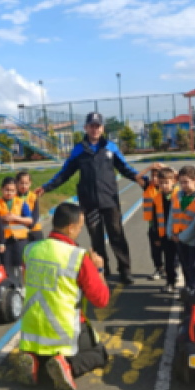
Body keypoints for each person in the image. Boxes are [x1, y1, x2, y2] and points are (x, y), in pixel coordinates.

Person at [35, 112, 160, 286]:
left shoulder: (110, 147)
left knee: (117, 235)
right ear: (86, 128)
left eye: (98, 126)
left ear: (102, 128)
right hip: (89, 203)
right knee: (96, 237)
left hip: (110, 200)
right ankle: (103, 270)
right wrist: (46, 187)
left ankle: (125, 270)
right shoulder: (79, 149)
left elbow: (125, 168)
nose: (95, 129)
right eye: (92, 126)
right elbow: (65, 173)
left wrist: (145, 181)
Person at [16, 203, 111, 390]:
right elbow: (101, 300)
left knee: (43, 348)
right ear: (71, 227)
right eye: (80, 227)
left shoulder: (30, 250)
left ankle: (34, 359)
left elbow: (27, 281)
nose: (80, 231)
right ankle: (68, 365)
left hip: (32, 331)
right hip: (64, 332)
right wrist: (99, 269)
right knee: (100, 354)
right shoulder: (77, 257)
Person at [169, 165, 195, 291]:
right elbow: (172, 216)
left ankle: (194, 290)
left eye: (186, 182)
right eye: (181, 182)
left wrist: (182, 237)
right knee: (185, 266)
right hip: (178, 239)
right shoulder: (177, 196)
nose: (183, 185)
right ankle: (188, 288)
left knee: (194, 267)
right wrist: (171, 233)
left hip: (193, 241)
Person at [0, 176, 32, 281]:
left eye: (12, 190)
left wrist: (15, 218)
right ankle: (11, 285)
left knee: (20, 265)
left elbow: (29, 220)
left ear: (16, 191)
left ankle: (22, 286)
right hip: (5, 241)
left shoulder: (21, 202)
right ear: (1, 189)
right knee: (7, 264)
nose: (9, 193)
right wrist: (1, 219)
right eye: (7, 190)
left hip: (20, 240)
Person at [150, 167, 180, 293]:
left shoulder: (179, 195)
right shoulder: (157, 198)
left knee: (183, 260)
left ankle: (188, 283)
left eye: (166, 182)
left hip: (179, 235)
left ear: (173, 181)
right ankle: (170, 282)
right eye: (161, 183)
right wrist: (156, 236)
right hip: (165, 236)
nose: (164, 185)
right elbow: (155, 219)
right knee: (168, 261)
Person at [140, 168, 164, 281]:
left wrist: (163, 167)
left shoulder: (167, 187)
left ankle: (173, 269)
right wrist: (150, 167)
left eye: (157, 176)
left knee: (170, 250)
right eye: (152, 176)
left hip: (166, 225)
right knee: (155, 249)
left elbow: (176, 176)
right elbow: (137, 177)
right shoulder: (148, 187)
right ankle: (159, 268)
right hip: (153, 225)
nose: (154, 178)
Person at [15, 171, 43, 243]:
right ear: (16, 183)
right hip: (20, 230)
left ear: (30, 183)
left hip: (35, 228)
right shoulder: (13, 197)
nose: (24, 186)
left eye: (26, 183)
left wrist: (31, 225)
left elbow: (36, 213)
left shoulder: (33, 196)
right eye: (21, 183)